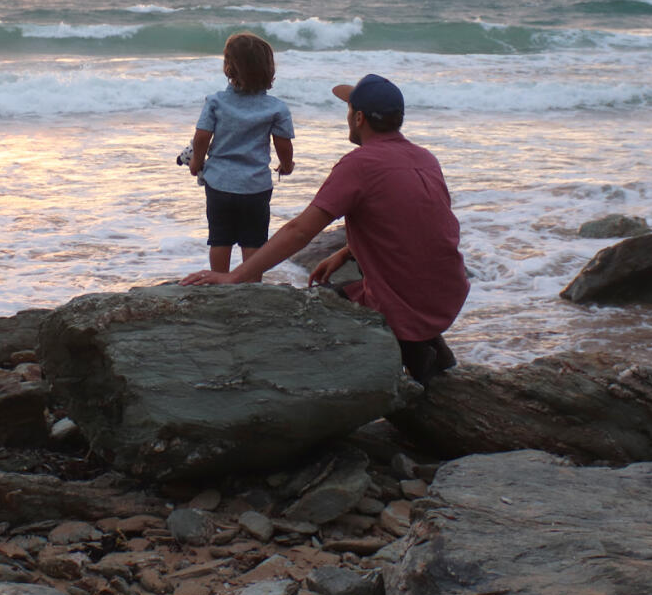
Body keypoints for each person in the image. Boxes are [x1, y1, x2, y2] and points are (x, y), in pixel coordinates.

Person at [182, 73, 468, 383]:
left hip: (406, 303)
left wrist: (235, 276)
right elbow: (417, 224)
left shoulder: (360, 165)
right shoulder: (425, 158)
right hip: (447, 294)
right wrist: (346, 253)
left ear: (359, 118)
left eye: (348, 109)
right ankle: (429, 348)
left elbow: (301, 230)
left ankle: (410, 355)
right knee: (351, 288)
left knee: (313, 311)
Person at [186, 32, 295, 273]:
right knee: (253, 241)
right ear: (269, 69)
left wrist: (197, 161)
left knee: (220, 239)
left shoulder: (216, 102)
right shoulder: (276, 108)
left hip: (219, 183)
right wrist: (286, 164)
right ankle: (251, 284)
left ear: (228, 68)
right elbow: (283, 143)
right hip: (255, 186)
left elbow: (202, 136)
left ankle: (218, 280)